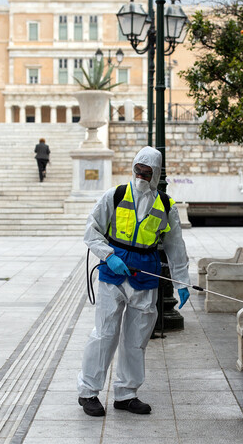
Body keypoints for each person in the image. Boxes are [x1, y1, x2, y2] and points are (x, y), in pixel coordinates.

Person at [77, 146, 190, 417]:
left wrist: (182, 282)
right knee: (104, 334)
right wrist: (108, 255)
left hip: (146, 274)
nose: (141, 176)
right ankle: (88, 392)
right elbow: (91, 231)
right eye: (138, 170)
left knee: (136, 339)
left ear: (156, 174)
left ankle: (126, 394)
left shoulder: (166, 205)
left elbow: (175, 245)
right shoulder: (115, 195)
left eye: (147, 172)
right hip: (114, 272)